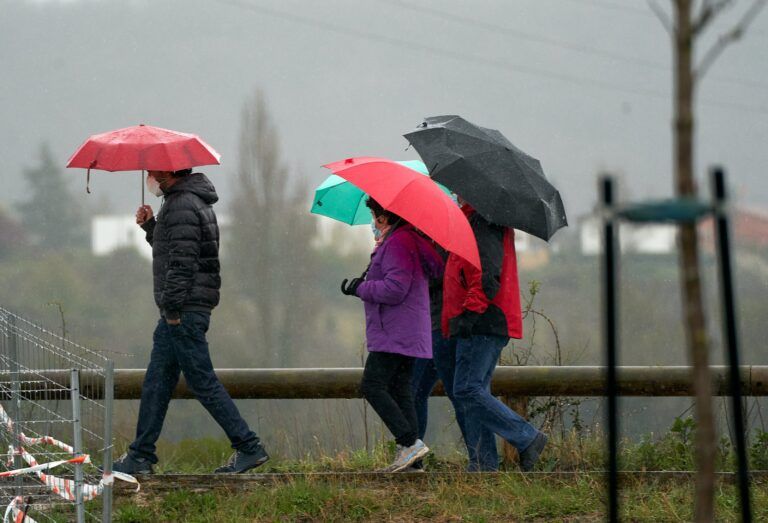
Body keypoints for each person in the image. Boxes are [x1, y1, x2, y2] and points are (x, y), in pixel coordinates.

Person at [112, 169, 268, 475]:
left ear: (169, 173)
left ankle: (249, 446)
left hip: (181, 311)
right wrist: (150, 226)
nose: (150, 177)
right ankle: (140, 454)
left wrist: (171, 309)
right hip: (183, 309)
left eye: (154, 171)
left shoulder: (182, 204)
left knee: (201, 381)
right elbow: (174, 250)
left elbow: (182, 262)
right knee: (157, 382)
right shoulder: (187, 201)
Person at [437, 199, 547, 472]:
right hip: (483, 319)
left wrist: (469, 314)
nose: (454, 193)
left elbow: (487, 275)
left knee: (466, 389)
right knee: (473, 390)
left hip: (482, 320)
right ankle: (484, 464)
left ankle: (527, 437)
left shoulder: (481, 221)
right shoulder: (477, 219)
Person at [341, 197, 443, 472]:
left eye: (373, 215)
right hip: (408, 331)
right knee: (401, 391)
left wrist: (361, 289)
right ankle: (413, 461)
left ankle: (409, 443)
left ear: (383, 217)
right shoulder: (405, 240)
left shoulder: (399, 243)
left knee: (372, 386)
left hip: (395, 331)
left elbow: (395, 289)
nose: (372, 222)